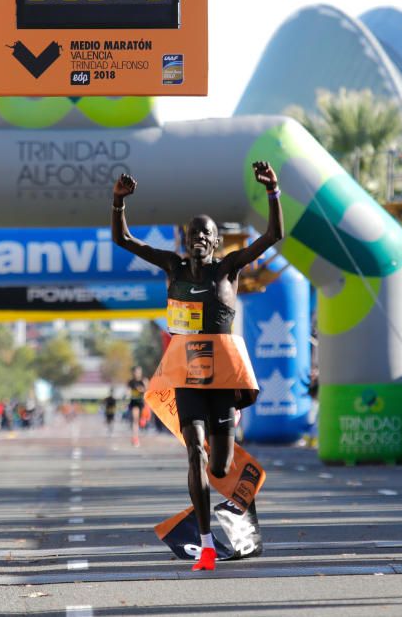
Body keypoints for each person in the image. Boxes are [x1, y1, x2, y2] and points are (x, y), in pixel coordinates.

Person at [112, 161, 282, 571]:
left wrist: (273, 192)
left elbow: (274, 235)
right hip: (186, 373)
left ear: (217, 241)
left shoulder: (229, 269)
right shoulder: (171, 267)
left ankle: (221, 510)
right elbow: (123, 239)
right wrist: (118, 201)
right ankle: (206, 545)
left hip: (222, 376)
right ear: (185, 241)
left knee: (222, 465)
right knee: (195, 455)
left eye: (206, 234)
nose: (199, 239)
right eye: (193, 234)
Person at [126, 366, 147, 446]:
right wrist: (127, 394)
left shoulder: (144, 380)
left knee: (141, 421)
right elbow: (127, 391)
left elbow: (148, 390)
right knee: (135, 420)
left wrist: (142, 390)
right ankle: (135, 438)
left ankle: (142, 421)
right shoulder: (131, 382)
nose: (137, 373)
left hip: (142, 403)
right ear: (133, 372)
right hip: (134, 402)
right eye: (136, 372)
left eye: (139, 372)